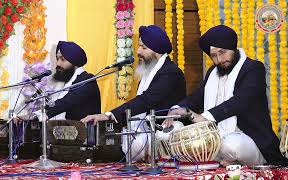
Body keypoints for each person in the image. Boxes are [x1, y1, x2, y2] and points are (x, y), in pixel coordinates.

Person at [162, 25, 288, 166]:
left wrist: (205, 118)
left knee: (232, 145)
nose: (219, 60)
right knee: (190, 139)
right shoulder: (213, 73)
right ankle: (225, 161)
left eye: (222, 53)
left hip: (252, 142)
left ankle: (229, 160)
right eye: (214, 55)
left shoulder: (253, 68)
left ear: (233, 48)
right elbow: (197, 97)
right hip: (218, 137)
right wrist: (177, 108)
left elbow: (240, 101)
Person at [81, 25, 186, 161]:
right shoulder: (149, 73)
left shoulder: (170, 72)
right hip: (146, 147)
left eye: (143, 47)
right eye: (139, 46)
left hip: (165, 145)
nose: (138, 52)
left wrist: (108, 116)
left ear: (157, 51)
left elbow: (146, 101)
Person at [43, 41, 101, 120]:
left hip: (85, 131)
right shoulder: (68, 81)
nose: (58, 63)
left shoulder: (87, 80)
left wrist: (37, 115)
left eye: (62, 59)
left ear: (74, 61)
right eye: (57, 59)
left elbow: (65, 102)